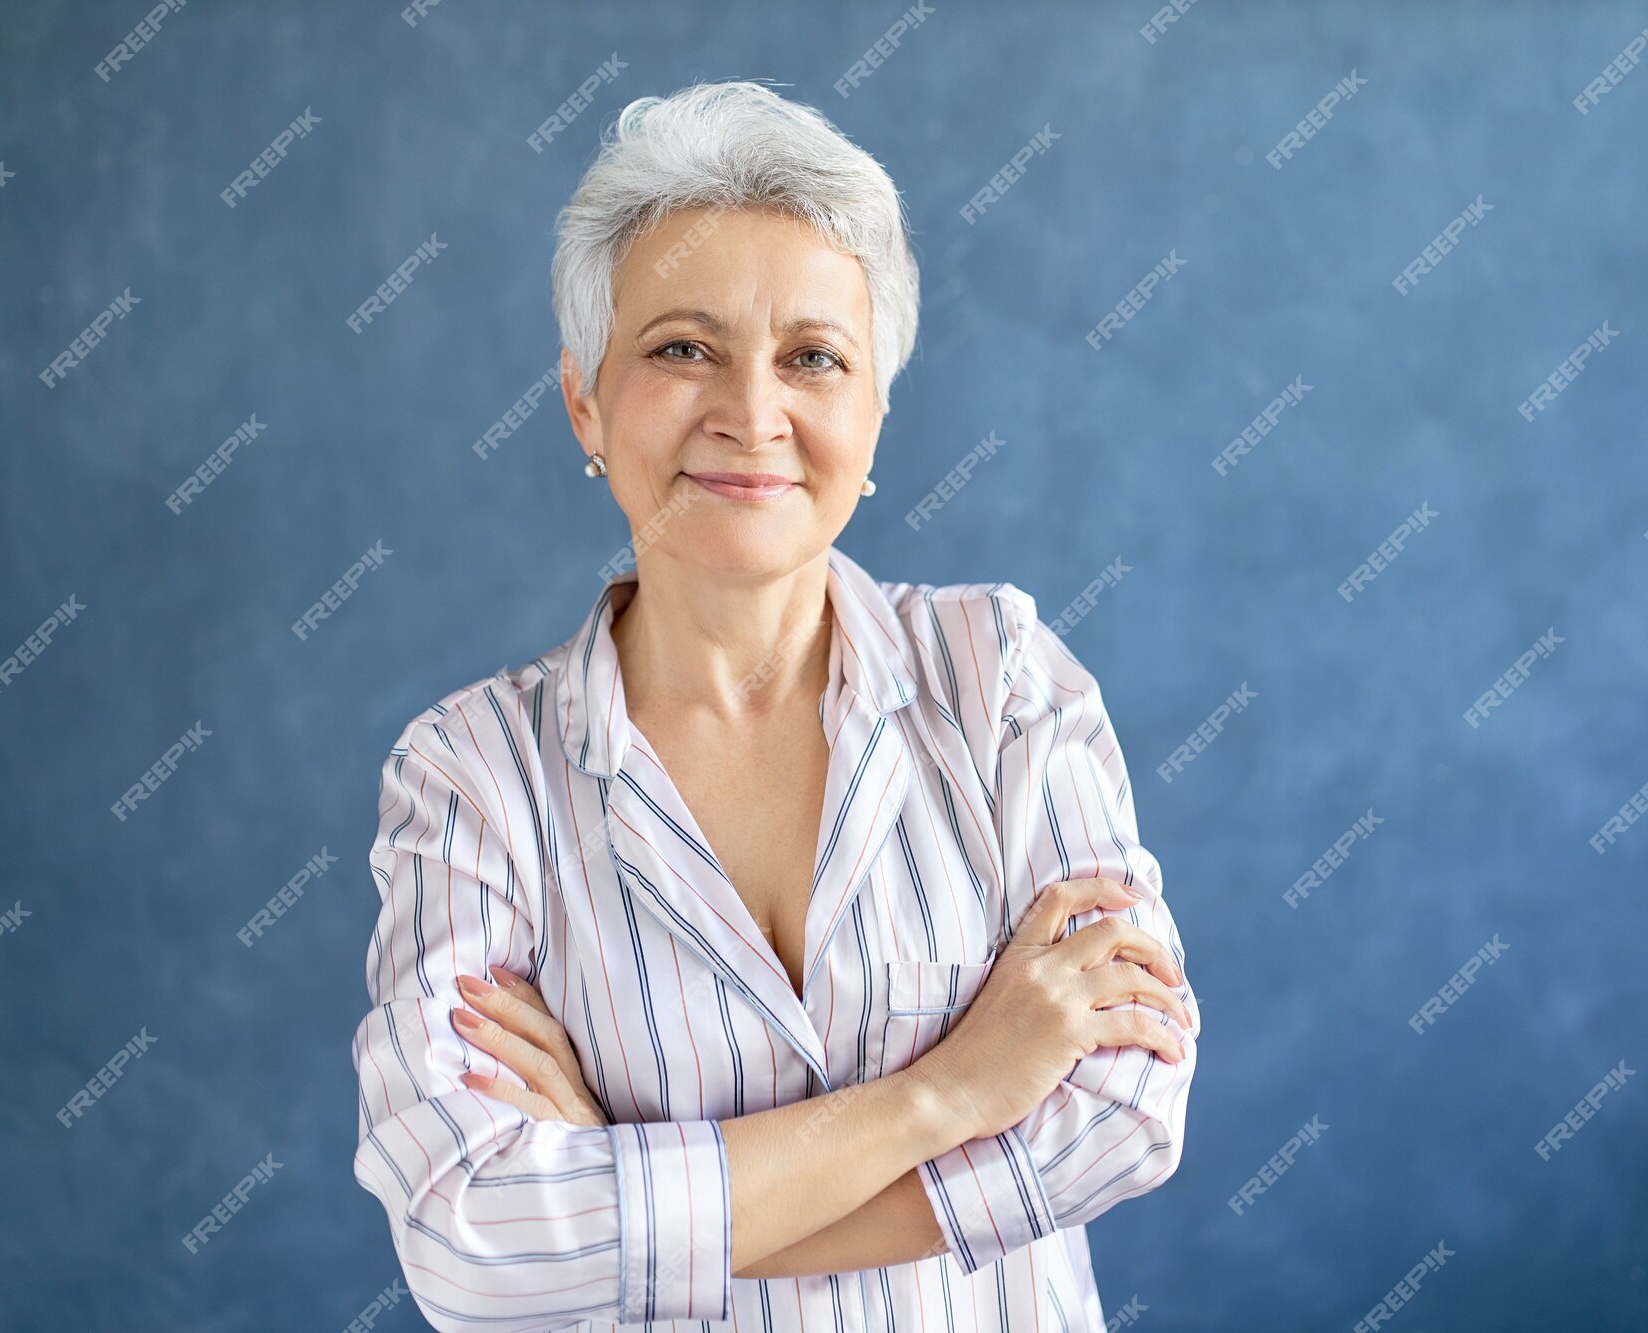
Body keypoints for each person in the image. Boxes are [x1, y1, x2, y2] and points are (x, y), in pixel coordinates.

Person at [350, 79, 1199, 1332]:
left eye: (812, 356)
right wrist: (951, 1091)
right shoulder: (471, 773)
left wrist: (634, 1195)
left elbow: (1125, 1110)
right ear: (584, 398)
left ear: (874, 406)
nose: (751, 415)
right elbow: (469, 1238)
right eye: (681, 348)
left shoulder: (1001, 677)